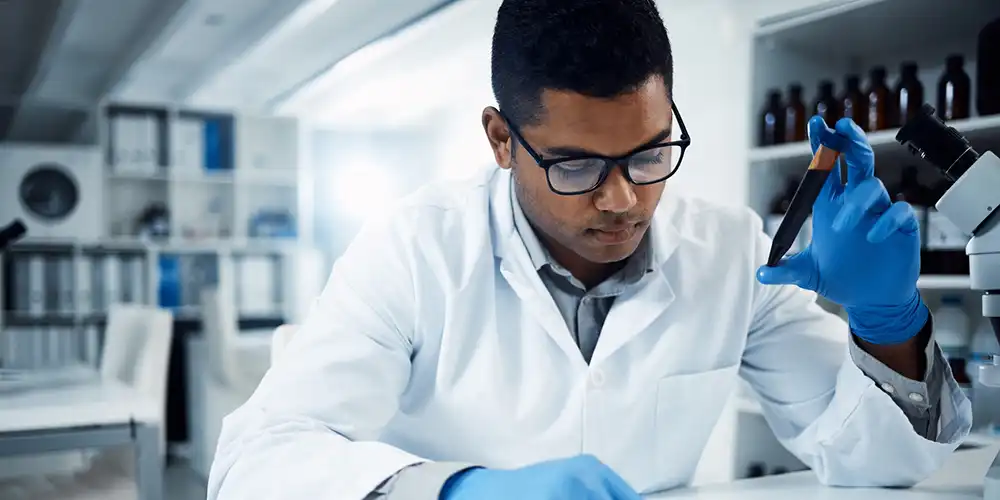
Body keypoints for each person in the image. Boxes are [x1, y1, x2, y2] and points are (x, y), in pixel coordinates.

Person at [208, 1, 972, 499]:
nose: (624, 199)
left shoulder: (734, 253)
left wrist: (886, 320)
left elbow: (886, 466)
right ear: (503, 140)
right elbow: (253, 464)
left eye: (648, 154)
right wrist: (456, 490)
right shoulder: (415, 249)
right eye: (575, 166)